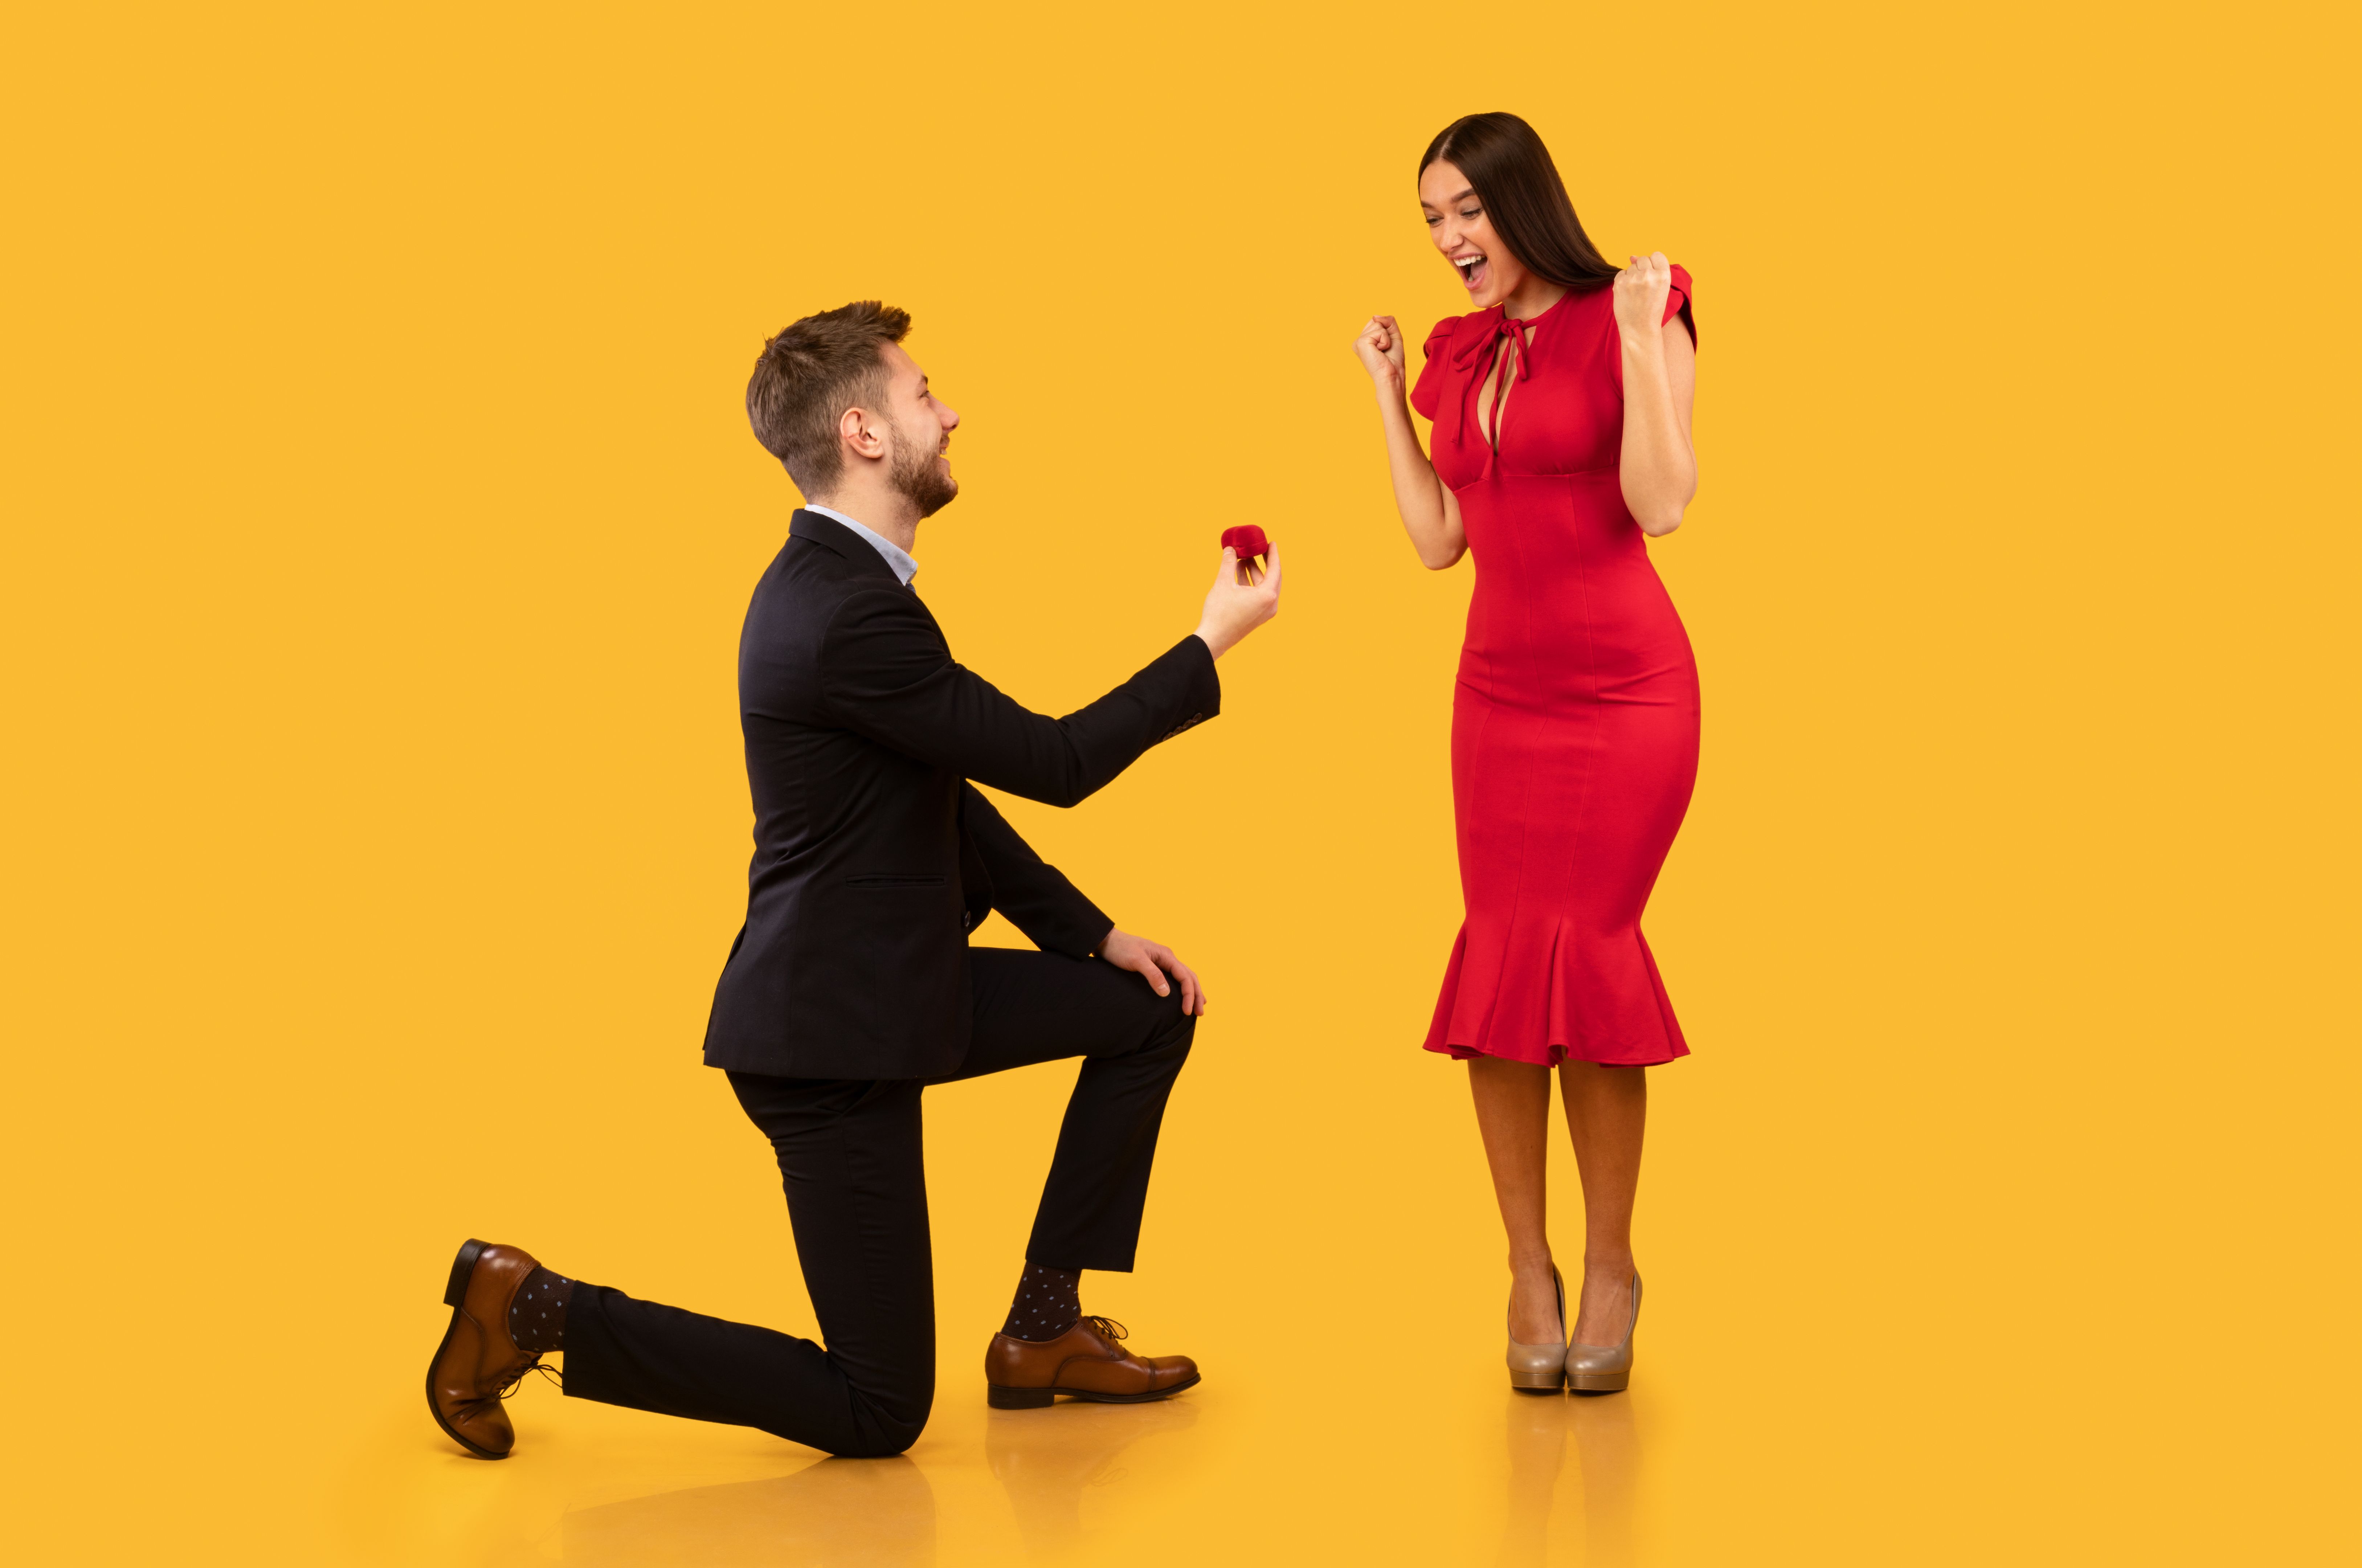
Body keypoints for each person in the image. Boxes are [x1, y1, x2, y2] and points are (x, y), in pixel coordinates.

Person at [427, 300, 1282, 1460]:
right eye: (927, 394)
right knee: (878, 1412)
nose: (953, 411)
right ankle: (532, 1308)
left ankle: (1043, 1331)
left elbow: (945, 798)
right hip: (826, 1043)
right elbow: (1057, 764)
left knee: (1146, 1012)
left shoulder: (853, 594)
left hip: (898, 990)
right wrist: (1209, 642)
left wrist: (1093, 938)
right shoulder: (846, 616)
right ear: (865, 432)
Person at [1352, 112, 1699, 1395]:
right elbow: (1440, 537)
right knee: (1498, 971)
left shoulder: (1638, 311)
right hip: (1495, 694)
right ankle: (1527, 1270)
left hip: (1624, 694)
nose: (1448, 240)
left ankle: (1612, 1269)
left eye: (1463, 213)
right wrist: (1386, 397)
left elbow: (1660, 503)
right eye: (1431, 220)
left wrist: (1636, 345)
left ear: (1518, 201)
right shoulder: (1459, 351)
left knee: (1592, 966)